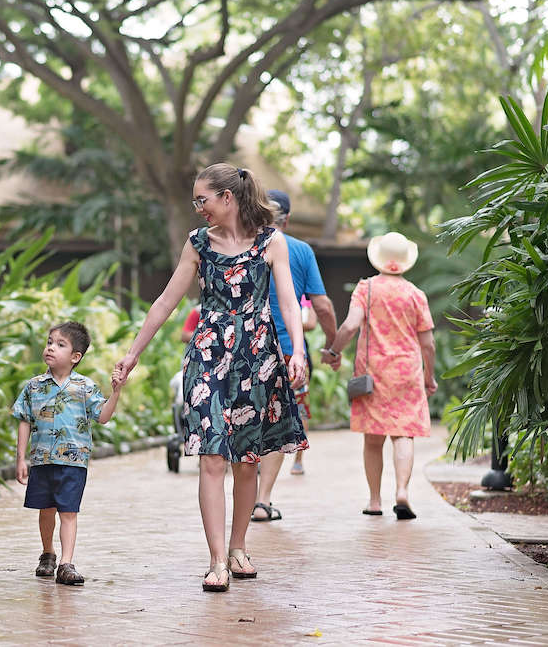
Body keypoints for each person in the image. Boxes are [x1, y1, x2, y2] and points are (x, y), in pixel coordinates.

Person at [113, 163, 308, 593]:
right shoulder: (198, 243)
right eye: (195, 201)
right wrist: (132, 354)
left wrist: (296, 350)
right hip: (208, 355)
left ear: (228, 197)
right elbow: (165, 302)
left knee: (245, 461)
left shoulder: (270, 243)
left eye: (203, 199)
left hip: (258, 359)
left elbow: (290, 303)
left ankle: (239, 549)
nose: (198, 208)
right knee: (211, 456)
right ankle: (217, 559)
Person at [321, 232, 436, 520]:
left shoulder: (366, 289)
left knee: (373, 439)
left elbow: (349, 327)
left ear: (379, 259)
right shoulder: (415, 295)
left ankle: (374, 501)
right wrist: (429, 376)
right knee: (403, 434)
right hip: (407, 372)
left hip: (373, 373)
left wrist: (334, 352)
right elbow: (428, 344)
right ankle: (402, 492)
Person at [13, 321, 123, 586]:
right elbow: (24, 420)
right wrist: (20, 458)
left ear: (76, 357)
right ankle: (48, 553)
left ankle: (66, 563)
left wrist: (116, 391)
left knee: (68, 512)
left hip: (74, 462)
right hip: (41, 460)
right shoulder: (34, 386)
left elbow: (103, 416)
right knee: (46, 509)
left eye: (60, 344)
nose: (51, 347)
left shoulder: (85, 387)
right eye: (50, 342)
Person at [251, 190, 338, 521]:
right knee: (276, 425)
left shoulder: (240, 244)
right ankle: (262, 499)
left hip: (244, 350)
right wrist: (332, 344)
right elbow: (323, 305)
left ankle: (244, 494)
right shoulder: (300, 250)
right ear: (286, 218)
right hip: (289, 354)